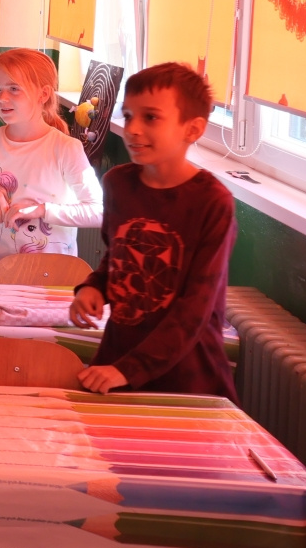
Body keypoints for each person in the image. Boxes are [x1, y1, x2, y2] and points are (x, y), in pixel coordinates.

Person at [69, 63, 236, 399]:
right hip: (117, 360)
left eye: (151, 117)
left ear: (192, 129)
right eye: (128, 116)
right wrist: (93, 288)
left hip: (187, 378)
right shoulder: (118, 184)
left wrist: (128, 370)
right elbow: (119, 260)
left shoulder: (211, 201)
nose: (132, 129)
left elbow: (196, 308)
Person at [0, 49, 103, 284]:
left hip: (49, 276)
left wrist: (41, 210)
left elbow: (98, 212)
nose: (2, 97)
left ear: (43, 94)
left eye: (14, 88)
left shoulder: (65, 148)